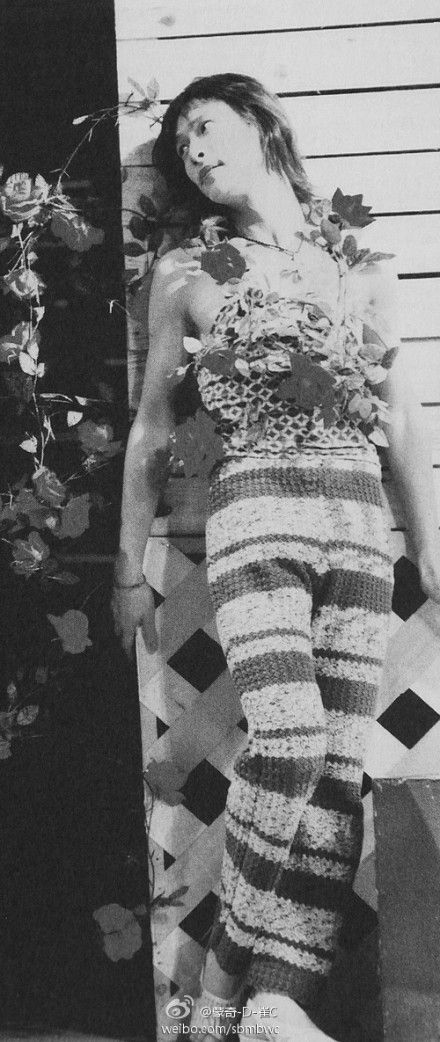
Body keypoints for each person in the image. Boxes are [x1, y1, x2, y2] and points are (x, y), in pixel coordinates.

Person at [112, 74, 440, 1041]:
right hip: (255, 513)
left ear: (260, 124)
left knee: (337, 769)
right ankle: (219, 991)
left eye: (205, 126)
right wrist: (125, 568)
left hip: (357, 522)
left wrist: (430, 541)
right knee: (289, 742)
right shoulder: (186, 272)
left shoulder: (360, 267)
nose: (192, 150)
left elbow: (402, 418)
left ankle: (276, 1002)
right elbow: (153, 428)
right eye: (179, 141)